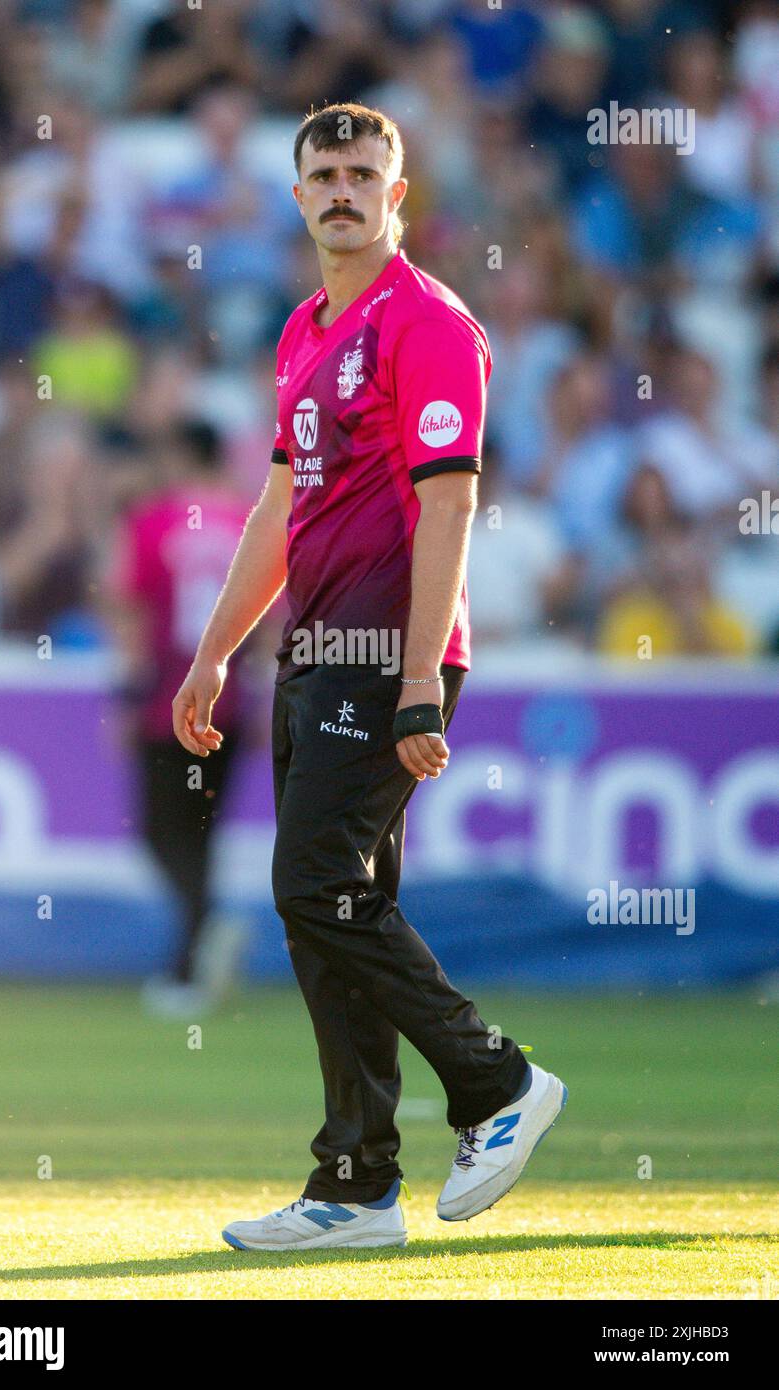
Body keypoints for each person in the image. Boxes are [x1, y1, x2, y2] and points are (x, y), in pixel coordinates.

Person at [171, 103, 567, 1251]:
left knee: (311, 886)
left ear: (399, 196)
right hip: (310, 657)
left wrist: (410, 683)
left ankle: (496, 1083)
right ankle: (353, 1185)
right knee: (333, 913)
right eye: (322, 174)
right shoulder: (302, 328)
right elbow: (279, 508)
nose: (341, 189)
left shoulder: (427, 324)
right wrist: (215, 650)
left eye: (362, 173)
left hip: (387, 656)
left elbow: (449, 506)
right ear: (297, 199)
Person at [111, 420, 250, 1016]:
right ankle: (189, 965)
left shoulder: (152, 520)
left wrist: (126, 697)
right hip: (231, 701)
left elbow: (131, 616)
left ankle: (201, 942)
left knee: (157, 832)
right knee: (203, 835)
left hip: (166, 700)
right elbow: (274, 621)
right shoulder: (250, 521)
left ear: (179, 455)